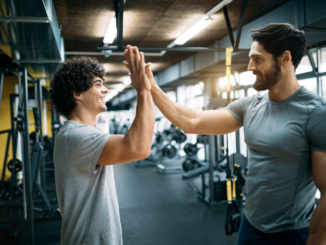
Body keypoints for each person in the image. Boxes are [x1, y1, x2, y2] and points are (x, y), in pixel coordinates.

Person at [129, 23, 326, 244]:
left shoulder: (315, 113)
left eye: (257, 59)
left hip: (290, 234)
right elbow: (193, 121)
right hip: (250, 226)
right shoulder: (251, 105)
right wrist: (151, 88)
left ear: (285, 59)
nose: (250, 66)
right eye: (251, 58)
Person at [51, 45, 154, 245]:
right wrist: (143, 90)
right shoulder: (76, 137)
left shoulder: (75, 134)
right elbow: (139, 148)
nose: (105, 89)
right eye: (98, 84)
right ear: (77, 94)